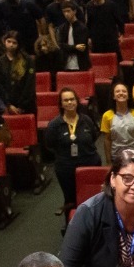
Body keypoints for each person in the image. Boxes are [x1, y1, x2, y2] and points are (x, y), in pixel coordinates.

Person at [44, 87, 102, 216]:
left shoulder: (86, 120)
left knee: (92, 197)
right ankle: (71, 226)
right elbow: (49, 144)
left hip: (89, 164)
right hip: (66, 168)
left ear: (77, 101)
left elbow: (93, 136)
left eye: (72, 99)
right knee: (71, 200)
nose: (69, 103)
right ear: (61, 104)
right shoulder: (54, 124)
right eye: (66, 100)